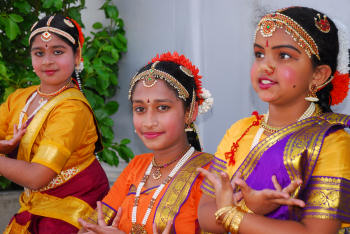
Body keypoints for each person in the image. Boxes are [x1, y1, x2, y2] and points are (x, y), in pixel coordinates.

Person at [197, 6, 350, 234]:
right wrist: (249, 207)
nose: (265, 66)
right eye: (259, 54)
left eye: (284, 56)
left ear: (319, 75)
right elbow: (205, 214)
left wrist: (232, 213)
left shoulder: (331, 143)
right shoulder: (240, 131)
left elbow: (315, 232)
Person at [78, 51, 214, 233]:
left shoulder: (211, 173)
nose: (149, 122)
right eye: (140, 109)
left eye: (162, 107)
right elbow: (88, 228)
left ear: (191, 111)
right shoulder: (137, 166)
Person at [1, 15, 109, 233]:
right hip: (37, 205)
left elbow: (36, 177)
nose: (47, 61)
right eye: (39, 53)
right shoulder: (21, 97)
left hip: (73, 211)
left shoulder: (73, 109)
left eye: (58, 52)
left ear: (77, 55)